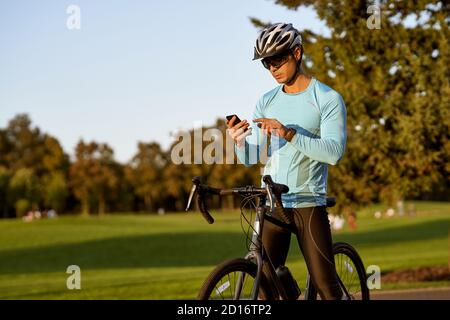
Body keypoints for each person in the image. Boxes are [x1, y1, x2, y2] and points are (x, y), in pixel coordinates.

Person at [226, 23, 347, 300]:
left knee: (327, 290)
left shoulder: (326, 98)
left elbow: (333, 152)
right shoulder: (266, 101)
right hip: (274, 204)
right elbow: (251, 158)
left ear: (297, 53)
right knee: (267, 285)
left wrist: (289, 133)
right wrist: (240, 141)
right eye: (267, 63)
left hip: (308, 203)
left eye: (278, 59)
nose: (272, 68)